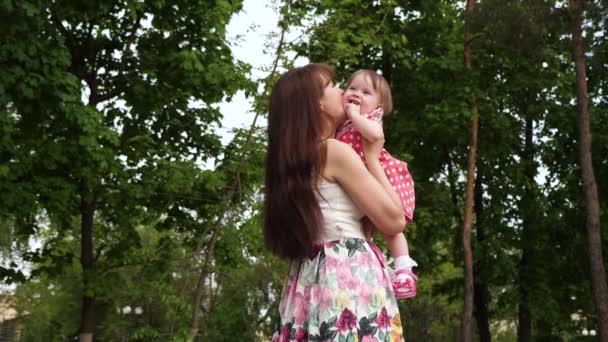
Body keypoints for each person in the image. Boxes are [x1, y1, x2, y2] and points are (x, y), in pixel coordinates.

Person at [264, 63, 406, 341]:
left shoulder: (294, 162)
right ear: (316, 104)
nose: (343, 91)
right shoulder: (333, 151)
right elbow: (394, 219)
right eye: (332, 86)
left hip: (307, 277)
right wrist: (373, 155)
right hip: (346, 273)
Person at [338, 69, 418, 299]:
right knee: (365, 227)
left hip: (382, 176)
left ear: (378, 106)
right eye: (352, 88)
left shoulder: (369, 119)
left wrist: (354, 116)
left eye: (366, 92)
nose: (356, 94)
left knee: (390, 228)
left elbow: (374, 136)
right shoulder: (343, 124)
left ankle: (404, 269)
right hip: (360, 183)